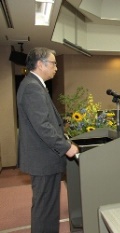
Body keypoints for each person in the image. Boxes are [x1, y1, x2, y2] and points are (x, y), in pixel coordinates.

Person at [17, 47, 79, 232]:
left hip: (45, 159)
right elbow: (42, 126)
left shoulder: (35, 85)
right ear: (40, 64)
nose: (56, 67)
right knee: (45, 209)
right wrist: (66, 146)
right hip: (43, 160)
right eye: (53, 63)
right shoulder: (32, 88)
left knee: (49, 208)